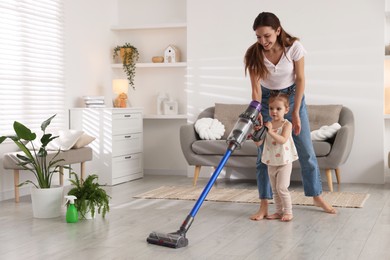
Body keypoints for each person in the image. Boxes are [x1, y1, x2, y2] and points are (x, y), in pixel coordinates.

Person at [244, 12, 336, 220]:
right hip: (267, 101)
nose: (263, 41)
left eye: (267, 36)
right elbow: (256, 90)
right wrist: (258, 111)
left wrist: (295, 111)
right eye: (258, 37)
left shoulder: (294, 47)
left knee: (306, 150)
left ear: (277, 31)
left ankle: (316, 195)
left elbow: (301, 79)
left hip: (293, 98)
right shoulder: (254, 54)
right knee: (263, 156)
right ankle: (264, 204)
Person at [255, 93, 298, 222]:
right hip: (271, 162)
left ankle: (288, 212)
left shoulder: (287, 125)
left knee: (282, 188)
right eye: (271, 108)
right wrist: (257, 132)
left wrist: (269, 131)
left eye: (278, 109)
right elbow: (259, 143)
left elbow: (283, 140)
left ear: (286, 109)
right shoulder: (267, 125)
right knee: (274, 189)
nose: (274, 111)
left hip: (284, 162)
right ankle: (279, 212)